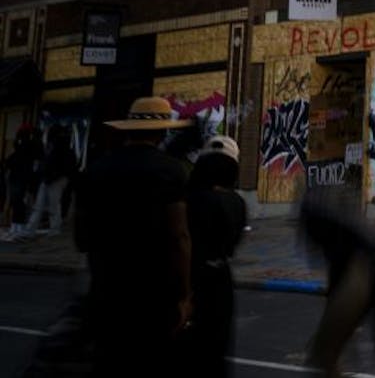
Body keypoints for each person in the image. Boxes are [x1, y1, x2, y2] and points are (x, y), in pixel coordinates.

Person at [74, 97, 194, 369]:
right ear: (163, 132)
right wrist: (184, 295)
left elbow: (80, 238)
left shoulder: (95, 171)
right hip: (153, 296)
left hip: (106, 291)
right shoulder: (170, 171)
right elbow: (179, 237)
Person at [299, 177, 375, 378]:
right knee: (324, 355)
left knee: (323, 355)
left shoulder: (335, 232)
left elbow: (341, 277)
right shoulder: (350, 230)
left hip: (369, 277)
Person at [183, 135, 247, 375]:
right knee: (217, 348)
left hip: (190, 276)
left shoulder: (190, 199)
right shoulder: (236, 203)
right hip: (220, 278)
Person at [22, 125, 78, 236]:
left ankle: (32, 230)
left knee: (43, 206)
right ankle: (52, 229)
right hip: (54, 179)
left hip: (52, 179)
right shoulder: (63, 148)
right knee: (51, 205)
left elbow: (52, 164)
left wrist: (47, 176)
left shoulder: (54, 148)